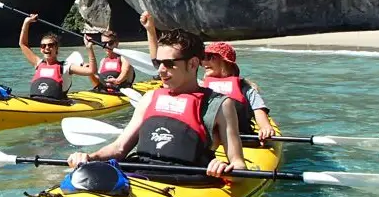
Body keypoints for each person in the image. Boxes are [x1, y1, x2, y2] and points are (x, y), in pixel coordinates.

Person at [68, 28, 247, 178]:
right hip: (138, 175)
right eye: (158, 63)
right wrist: (90, 157)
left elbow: (239, 164)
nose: (160, 70)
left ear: (192, 64)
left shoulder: (220, 105)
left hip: (189, 182)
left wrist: (225, 168)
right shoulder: (149, 98)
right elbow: (119, 148)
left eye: (169, 64)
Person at [202, 41, 274, 140]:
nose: (204, 62)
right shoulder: (199, 86)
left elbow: (259, 110)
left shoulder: (246, 88)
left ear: (224, 62)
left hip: (241, 137)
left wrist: (265, 127)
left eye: (210, 57)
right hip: (208, 138)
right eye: (203, 57)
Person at [19, 14, 96, 99]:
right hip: (36, 101)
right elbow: (23, 44)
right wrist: (26, 22)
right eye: (43, 46)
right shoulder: (38, 64)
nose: (47, 48)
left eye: (50, 45)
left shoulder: (66, 67)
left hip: (57, 103)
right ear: (41, 49)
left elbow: (91, 71)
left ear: (56, 48)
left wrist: (89, 48)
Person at [87, 28, 136, 92]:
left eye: (110, 43)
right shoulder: (103, 60)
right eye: (104, 43)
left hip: (121, 91)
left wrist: (116, 81)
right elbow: (97, 80)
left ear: (116, 43)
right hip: (106, 92)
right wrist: (89, 48)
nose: (107, 45)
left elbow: (125, 72)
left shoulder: (124, 58)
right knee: (88, 69)